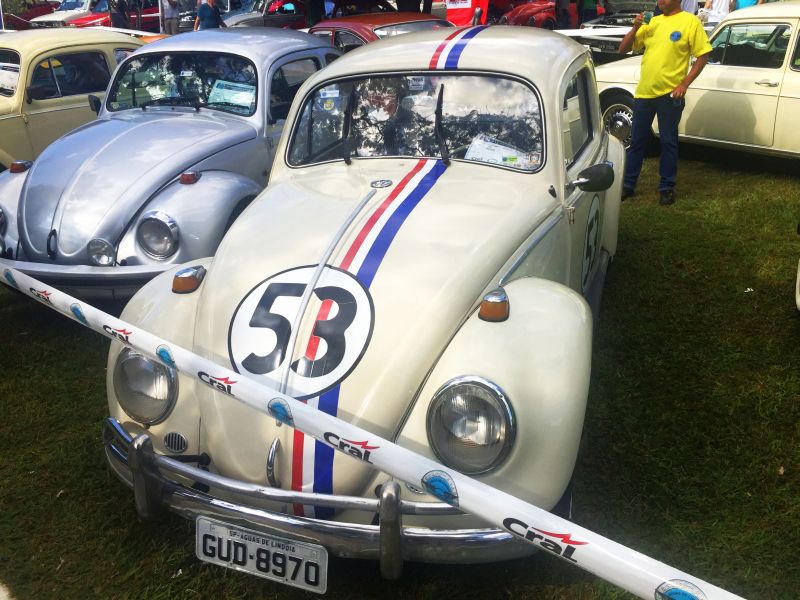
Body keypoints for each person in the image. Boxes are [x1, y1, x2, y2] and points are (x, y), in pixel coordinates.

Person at [618, 0, 712, 205]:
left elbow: (703, 55)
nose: (660, 0)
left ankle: (666, 187)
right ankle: (628, 185)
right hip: (644, 93)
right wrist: (634, 28)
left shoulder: (690, 22)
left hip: (670, 96)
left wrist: (684, 84)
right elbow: (623, 49)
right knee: (637, 142)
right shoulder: (651, 22)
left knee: (668, 142)